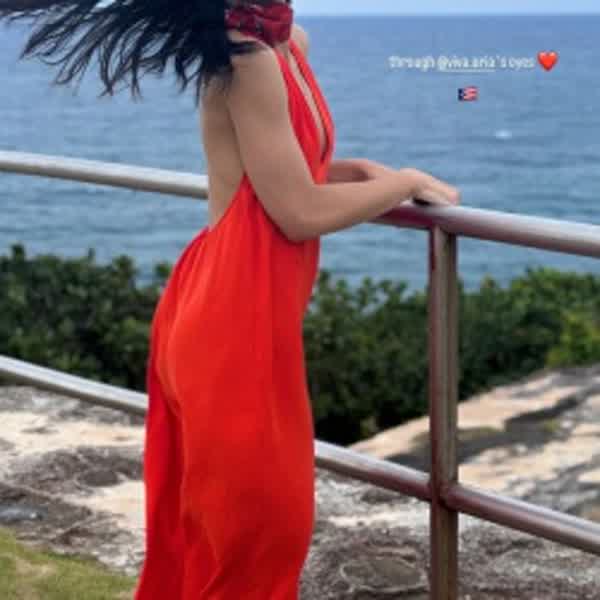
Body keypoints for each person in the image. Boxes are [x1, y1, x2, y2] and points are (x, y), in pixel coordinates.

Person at [1, 1, 460, 597]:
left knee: (241, 535)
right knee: (257, 536)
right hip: (231, 320)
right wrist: (406, 182)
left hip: (240, 311)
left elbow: (287, 174)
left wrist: (366, 171)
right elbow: (298, 212)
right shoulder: (248, 59)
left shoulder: (285, 44)